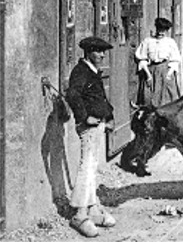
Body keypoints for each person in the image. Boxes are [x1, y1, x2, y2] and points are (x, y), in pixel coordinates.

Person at [65, 36, 117, 237]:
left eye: (103, 52)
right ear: (87, 52)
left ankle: (93, 208)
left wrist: (109, 117)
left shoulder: (93, 72)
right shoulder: (80, 71)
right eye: (98, 51)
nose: (102, 55)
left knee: (92, 167)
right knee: (86, 167)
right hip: (88, 126)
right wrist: (84, 118)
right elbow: (73, 95)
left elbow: (100, 98)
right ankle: (79, 214)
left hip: (98, 124)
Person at [135, 17, 182, 107]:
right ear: (156, 28)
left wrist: (168, 75)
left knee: (167, 97)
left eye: (163, 30)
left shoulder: (170, 42)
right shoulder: (147, 41)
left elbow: (175, 60)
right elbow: (142, 59)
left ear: (167, 31)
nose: (161, 32)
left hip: (165, 71)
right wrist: (148, 75)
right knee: (149, 97)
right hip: (151, 71)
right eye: (159, 29)